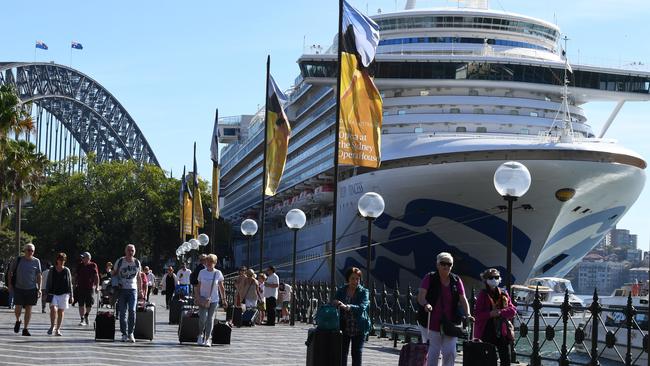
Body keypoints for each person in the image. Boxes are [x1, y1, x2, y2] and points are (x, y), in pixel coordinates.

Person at [417, 252, 473, 366]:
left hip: (450, 322)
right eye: (443, 263)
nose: (446, 266)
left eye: (449, 264)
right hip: (431, 321)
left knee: (450, 352)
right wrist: (426, 305)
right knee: (433, 352)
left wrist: (468, 314)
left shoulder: (456, 280)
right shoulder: (430, 277)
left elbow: (463, 299)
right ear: (437, 265)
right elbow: (421, 296)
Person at [473, 268, 517, 366]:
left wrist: (500, 312)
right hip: (487, 331)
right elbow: (477, 315)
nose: (494, 279)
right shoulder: (483, 295)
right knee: (489, 361)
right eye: (491, 277)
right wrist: (490, 314)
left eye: (496, 277)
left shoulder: (504, 294)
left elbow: (513, 311)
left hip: (502, 331)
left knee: (506, 360)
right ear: (486, 280)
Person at [333, 267, 371, 366]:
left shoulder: (364, 292)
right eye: (352, 278)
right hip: (344, 325)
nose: (355, 281)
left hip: (359, 326)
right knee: (342, 353)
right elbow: (334, 300)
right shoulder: (342, 290)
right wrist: (336, 302)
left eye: (357, 279)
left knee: (357, 353)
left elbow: (362, 307)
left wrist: (348, 307)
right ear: (348, 279)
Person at [8, 243, 42, 336]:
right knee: (17, 309)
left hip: (31, 289)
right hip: (19, 288)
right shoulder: (18, 260)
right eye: (28, 250)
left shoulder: (36, 261)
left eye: (32, 251)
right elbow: (10, 272)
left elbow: (39, 275)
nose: (30, 252)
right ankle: (18, 320)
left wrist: (39, 289)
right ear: (25, 250)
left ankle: (25, 328)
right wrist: (10, 285)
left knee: (28, 309)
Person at [112, 244, 142, 343]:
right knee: (122, 312)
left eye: (132, 250)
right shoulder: (120, 261)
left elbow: (139, 277)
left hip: (133, 290)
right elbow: (114, 273)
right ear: (125, 251)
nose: (130, 252)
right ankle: (124, 334)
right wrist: (116, 282)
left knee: (132, 311)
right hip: (122, 290)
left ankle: (130, 333)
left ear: (134, 252)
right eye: (129, 250)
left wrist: (141, 290)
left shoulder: (137, 262)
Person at [196, 254, 227, 347]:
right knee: (203, 318)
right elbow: (198, 286)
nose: (209, 263)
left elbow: (221, 287)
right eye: (208, 261)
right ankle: (200, 334)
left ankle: (207, 338)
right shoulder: (202, 272)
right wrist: (197, 297)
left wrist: (224, 299)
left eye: (212, 262)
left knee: (210, 319)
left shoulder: (218, 273)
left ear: (215, 263)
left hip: (214, 299)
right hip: (203, 299)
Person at [45, 253, 74, 336]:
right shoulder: (52, 269)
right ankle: (52, 326)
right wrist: (46, 293)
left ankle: (58, 329)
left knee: (61, 311)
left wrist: (72, 296)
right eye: (60, 260)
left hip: (64, 293)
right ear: (57, 260)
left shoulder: (66, 270)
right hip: (53, 293)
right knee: (53, 309)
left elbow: (70, 283)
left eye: (63, 260)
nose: (62, 261)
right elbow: (48, 282)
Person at [76, 252, 100, 326]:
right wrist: (74, 285)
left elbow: (96, 276)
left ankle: (86, 315)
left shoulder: (93, 265)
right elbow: (76, 275)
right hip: (80, 287)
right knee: (81, 304)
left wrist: (97, 286)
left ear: (88, 258)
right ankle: (82, 319)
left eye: (84, 257)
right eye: (82, 257)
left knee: (89, 304)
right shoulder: (80, 265)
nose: (82, 259)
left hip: (89, 287)